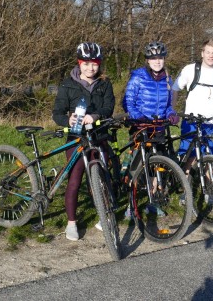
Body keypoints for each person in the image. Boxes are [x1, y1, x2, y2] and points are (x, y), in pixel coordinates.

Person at [52, 42, 115, 241]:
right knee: (75, 178)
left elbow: (109, 107)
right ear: (79, 63)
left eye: (94, 64)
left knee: (104, 177)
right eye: (86, 64)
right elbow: (57, 113)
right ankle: (71, 222)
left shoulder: (105, 84)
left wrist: (96, 116)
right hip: (77, 137)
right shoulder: (67, 85)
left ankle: (104, 215)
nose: (91, 68)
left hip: (98, 136)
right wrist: (67, 120)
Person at [122, 41, 179, 217]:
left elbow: (168, 105)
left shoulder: (167, 80)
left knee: (156, 168)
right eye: (153, 58)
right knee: (137, 167)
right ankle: (130, 206)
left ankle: (152, 202)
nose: (157, 61)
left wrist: (171, 114)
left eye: (160, 58)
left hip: (159, 127)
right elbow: (127, 102)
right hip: (141, 127)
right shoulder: (138, 77)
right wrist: (138, 116)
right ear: (147, 60)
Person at [172, 39, 213, 173]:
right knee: (189, 154)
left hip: (212, 121)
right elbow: (175, 89)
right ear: (202, 53)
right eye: (208, 52)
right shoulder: (190, 70)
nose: (211, 56)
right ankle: (186, 186)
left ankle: (210, 188)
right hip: (191, 120)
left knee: (212, 155)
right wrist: (172, 110)